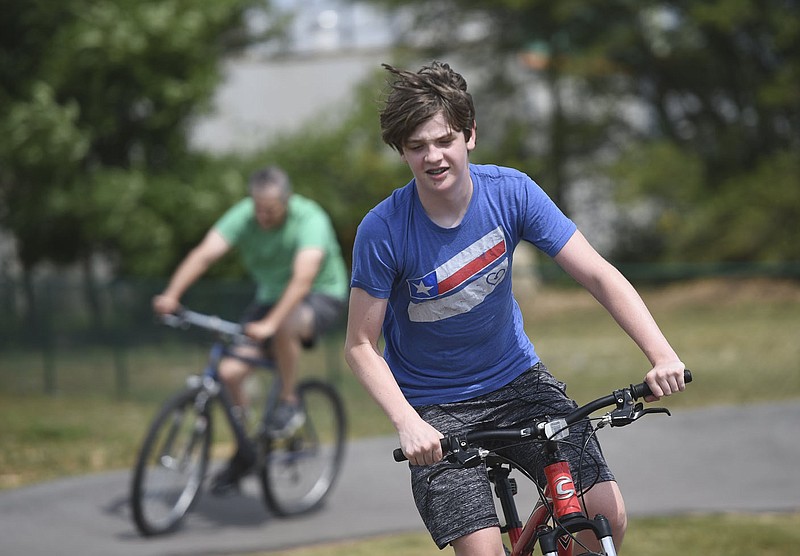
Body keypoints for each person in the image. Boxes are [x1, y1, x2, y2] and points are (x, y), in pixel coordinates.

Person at [344, 61, 686, 555]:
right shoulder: (384, 229)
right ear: (402, 152)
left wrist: (662, 354)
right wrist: (408, 421)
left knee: (603, 516)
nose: (433, 157)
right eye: (417, 147)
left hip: (519, 382)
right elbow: (359, 346)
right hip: (435, 408)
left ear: (470, 135)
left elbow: (597, 274)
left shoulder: (512, 192)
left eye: (444, 141)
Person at [153, 165, 349, 495]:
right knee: (229, 372)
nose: (262, 216)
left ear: (287, 200)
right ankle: (247, 446)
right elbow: (203, 255)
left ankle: (288, 400)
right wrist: (172, 295)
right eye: (257, 207)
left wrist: (271, 324)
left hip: (320, 294)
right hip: (270, 298)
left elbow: (303, 278)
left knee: (285, 324)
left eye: (270, 210)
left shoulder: (309, 218)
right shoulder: (244, 215)